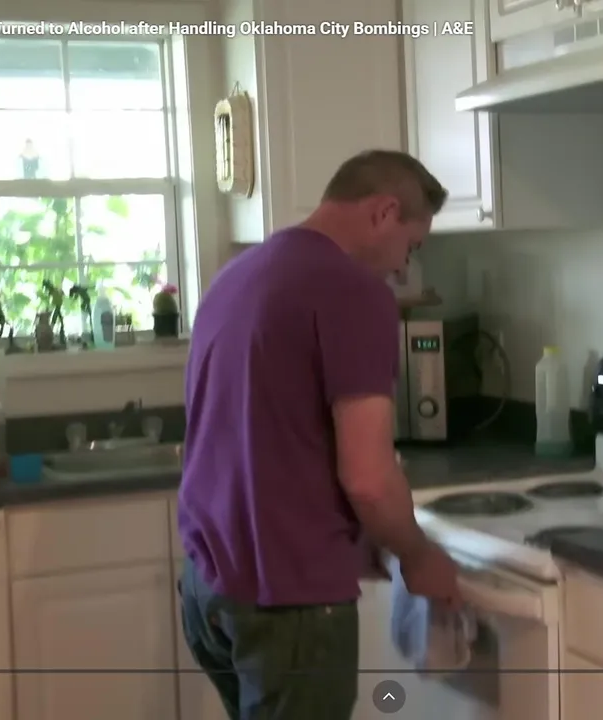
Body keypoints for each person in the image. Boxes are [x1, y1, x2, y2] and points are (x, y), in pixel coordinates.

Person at [177, 150, 459, 720]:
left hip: (209, 586)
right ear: (384, 212)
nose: (403, 268)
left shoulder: (239, 276)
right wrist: (418, 555)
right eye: (411, 246)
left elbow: (270, 436)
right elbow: (369, 477)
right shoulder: (353, 291)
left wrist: (359, 537)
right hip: (290, 603)